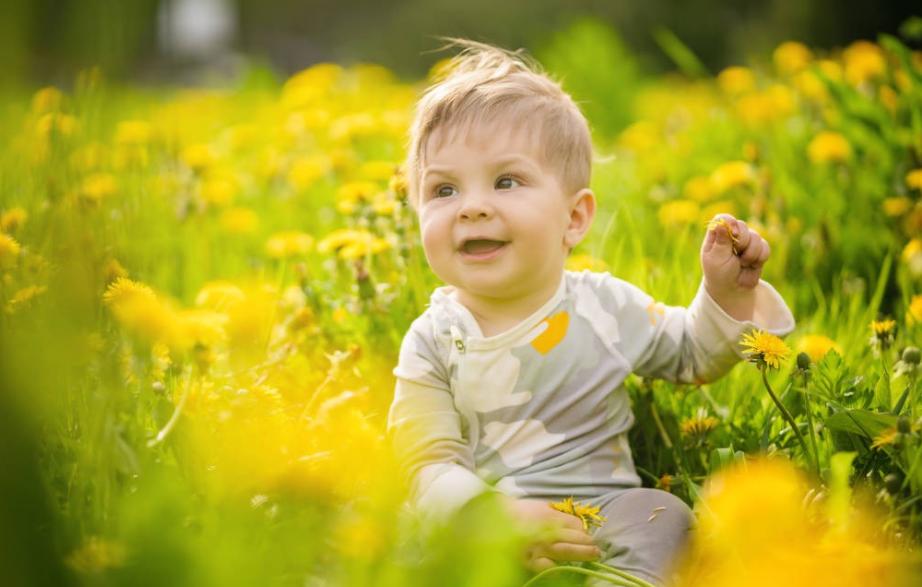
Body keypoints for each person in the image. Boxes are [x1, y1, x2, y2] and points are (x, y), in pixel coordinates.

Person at [386, 38, 795, 585]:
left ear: (573, 219)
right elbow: (426, 464)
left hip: (597, 521)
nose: (472, 206)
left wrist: (724, 293)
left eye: (506, 181)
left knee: (661, 516)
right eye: (443, 189)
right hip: (485, 533)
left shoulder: (605, 307)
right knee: (416, 540)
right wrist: (495, 521)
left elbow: (692, 354)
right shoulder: (432, 340)